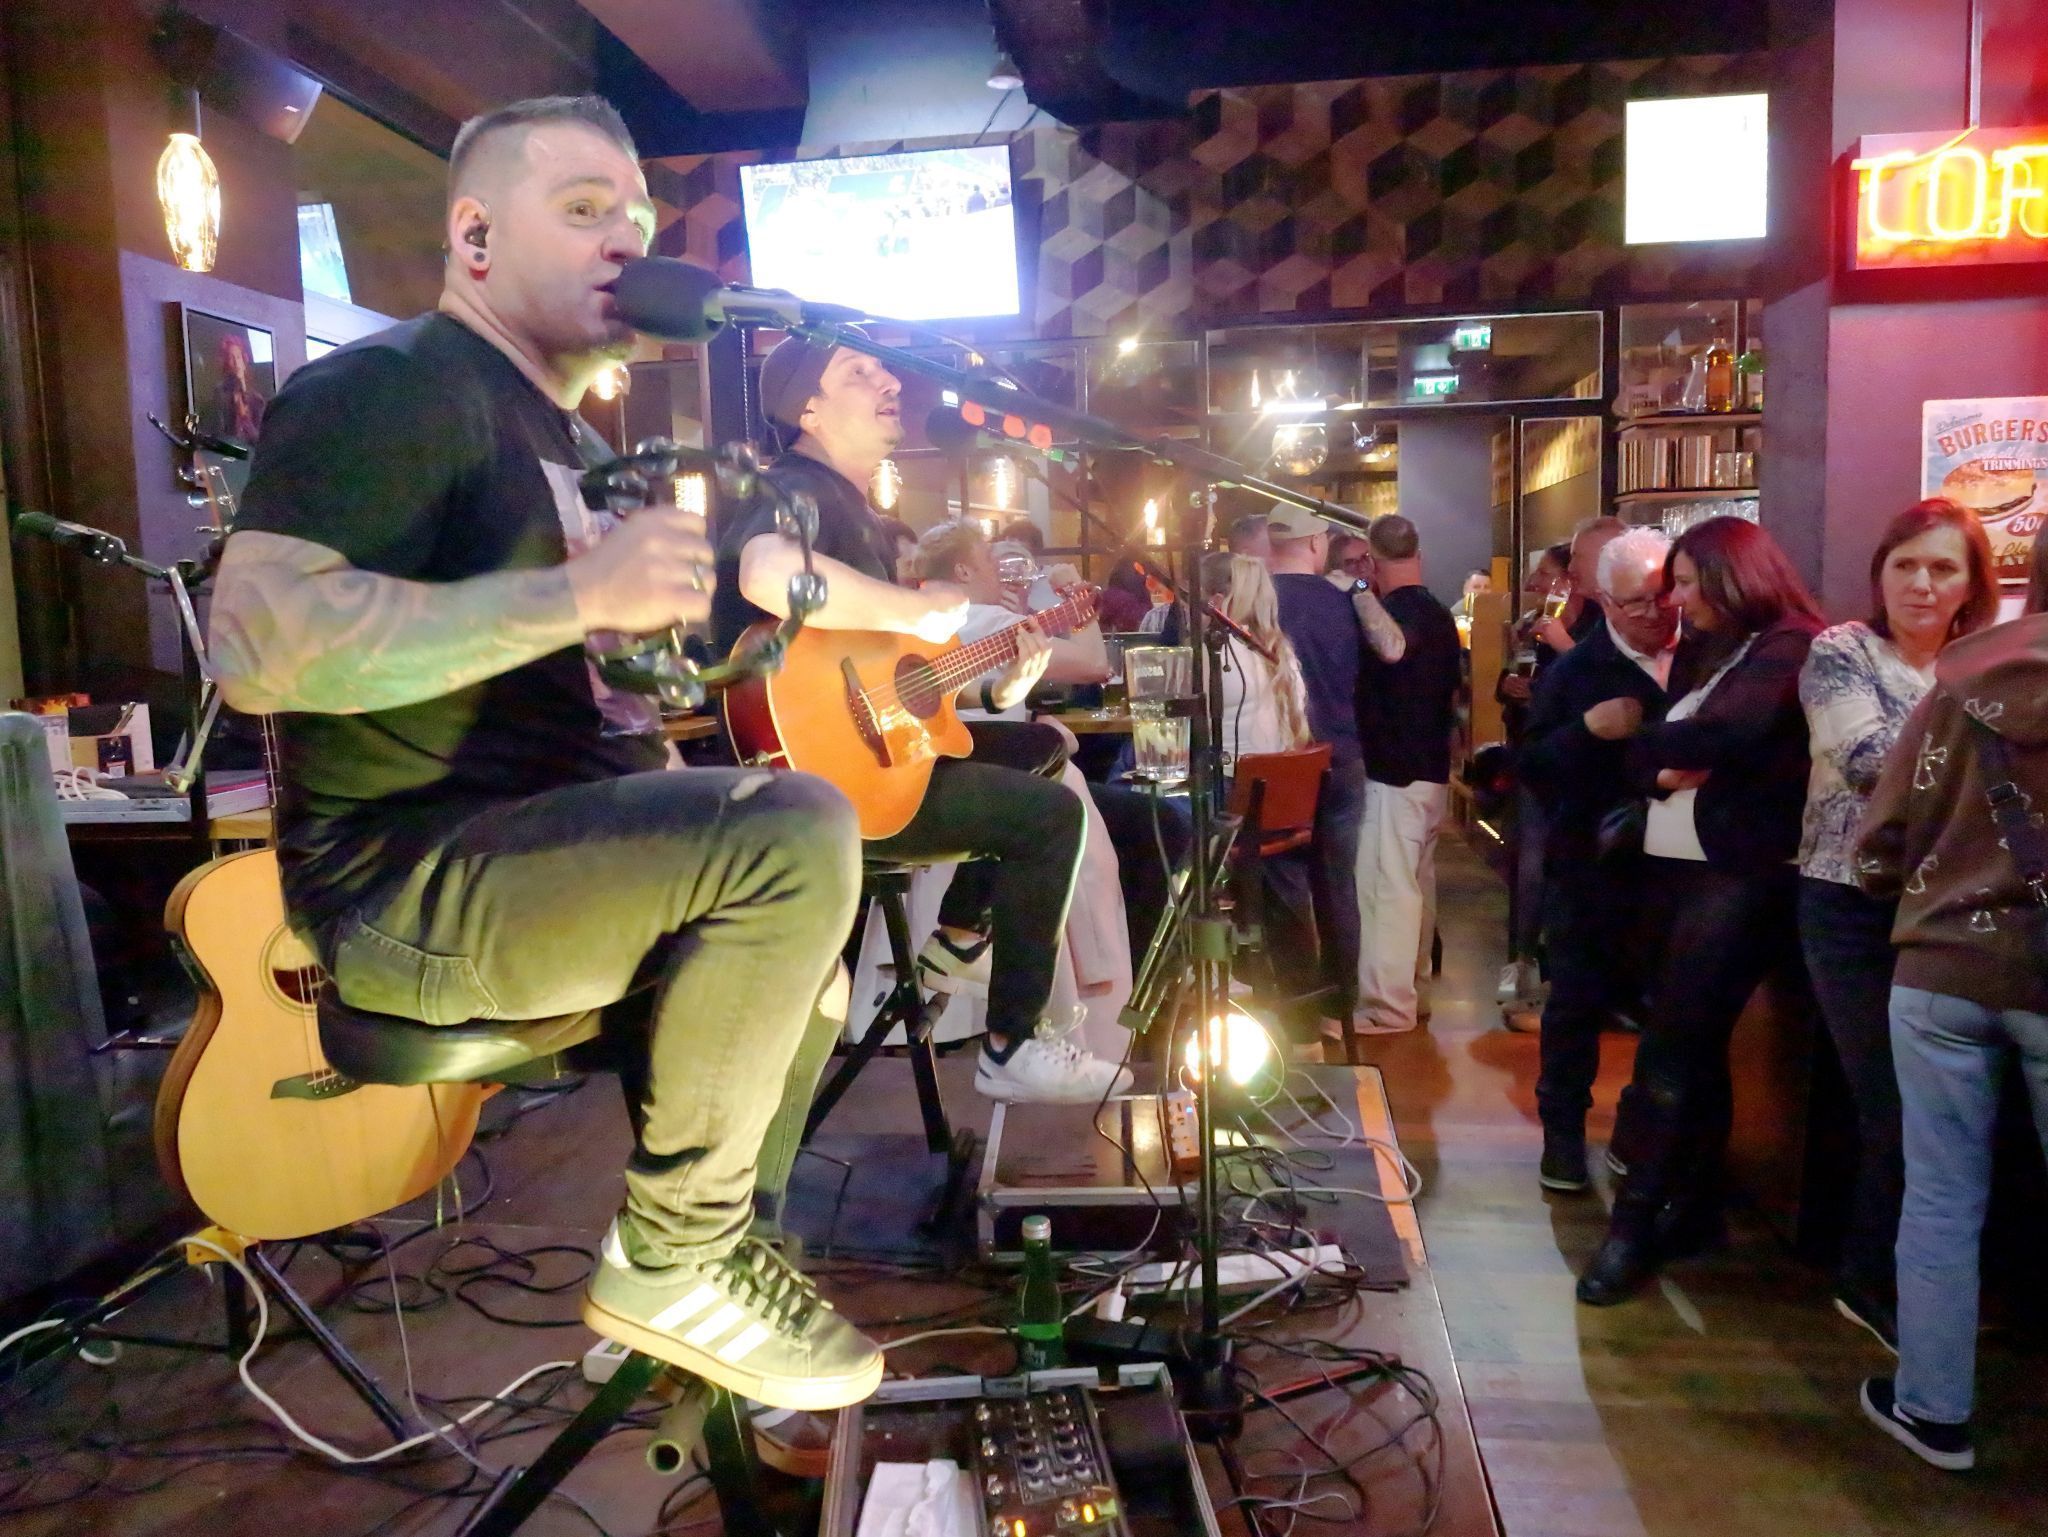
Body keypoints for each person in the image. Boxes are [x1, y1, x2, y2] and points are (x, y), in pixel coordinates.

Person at [207, 96, 881, 1408]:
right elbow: (253, 639)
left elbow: (544, 696)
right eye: (581, 212)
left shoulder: (557, 435)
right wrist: (578, 598)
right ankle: (680, 1260)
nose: (624, 243)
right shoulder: (391, 388)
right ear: (473, 236)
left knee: (812, 951)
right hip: (404, 888)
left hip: (517, 846)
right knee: (794, 835)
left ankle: (705, 1262)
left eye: (636, 217)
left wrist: (643, 672)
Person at [716, 332, 1131, 1105]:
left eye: (883, 368)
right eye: (858, 371)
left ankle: (958, 939)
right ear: (806, 407)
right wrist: (918, 606)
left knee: (1040, 741)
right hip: (812, 777)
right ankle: (1010, 1045)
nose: (887, 382)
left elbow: (899, 680)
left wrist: (1007, 681)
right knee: (1050, 816)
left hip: (865, 750)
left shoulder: (856, 509)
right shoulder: (793, 487)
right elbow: (765, 571)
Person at [1577, 517, 1824, 1306]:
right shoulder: (1735, 649)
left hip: (1740, 874)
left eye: (1686, 582)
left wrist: (1651, 744)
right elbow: (1679, 756)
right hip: (1691, 869)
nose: (1677, 600)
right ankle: (1695, 1208)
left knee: (1672, 1052)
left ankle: (1634, 1227)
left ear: (1732, 574)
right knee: (1688, 1046)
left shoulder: (1791, 643)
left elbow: (1722, 733)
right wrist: (1664, 761)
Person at [1853, 529, 2048, 1473]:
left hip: (1940, 967)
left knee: (1940, 1197)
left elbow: (1883, 829)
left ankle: (1934, 1409)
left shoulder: (1962, 684)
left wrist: (1919, 881)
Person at [1797, 499, 1998, 1351]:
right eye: (1906, 564)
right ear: (1879, 574)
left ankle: (1909, 1275)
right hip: (1849, 902)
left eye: (1943, 567)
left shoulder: (1988, 661)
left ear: (1973, 584)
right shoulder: (1841, 651)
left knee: (1942, 1110)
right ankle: (1869, 1279)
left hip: (1951, 916)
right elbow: (1870, 765)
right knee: (1893, 1103)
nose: (1922, 582)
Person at [1517, 528, 1678, 1192]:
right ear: (1605, 602)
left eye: (1664, 595)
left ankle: (1640, 1139)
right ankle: (1562, 1136)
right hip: (1590, 862)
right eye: (1634, 602)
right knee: (1576, 1005)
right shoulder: (1577, 670)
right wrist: (1587, 730)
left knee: (1672, 1011)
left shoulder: (1706, 654)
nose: (1653, 612)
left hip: (1681, 867)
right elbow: (1531, 764)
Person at [1353, 514, 1463, 1035]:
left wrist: (1355, 594)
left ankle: (1388, 1006)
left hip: (1394, 772)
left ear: (1373, 561)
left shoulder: (1400, 610)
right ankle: (1411, 992)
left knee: (1389, 889)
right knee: (1416, 883)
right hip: (1430, 769)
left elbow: (1391, 647)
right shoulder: (1439, 611)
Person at [1265, 502, 1369, 1043]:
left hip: (1285, 758)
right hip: (1344, 752)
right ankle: (1340, 1005)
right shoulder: (1343, 603)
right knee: (1337, 882)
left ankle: (1295, 1012)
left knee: (1284, 882)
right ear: (1313, 543)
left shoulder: (1256, 603)